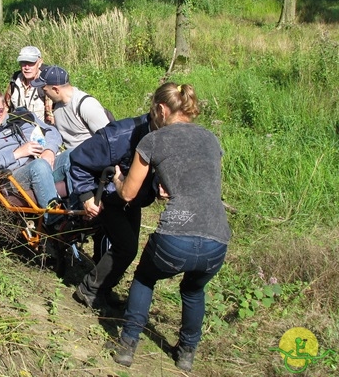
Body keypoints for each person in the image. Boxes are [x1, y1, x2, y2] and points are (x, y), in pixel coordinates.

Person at [110, 83, 231, 372]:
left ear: (162, 110)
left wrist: (116, 179)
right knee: (192, 291)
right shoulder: (211, 138)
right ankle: (187, 353)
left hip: (176, 237)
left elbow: (128, 194)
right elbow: (199, 179)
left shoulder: (153, 140)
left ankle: (127, 345)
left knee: (144, 278)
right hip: (218, 238)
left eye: (154, 113)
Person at [68, 113, 157, 311]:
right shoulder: (119, 135)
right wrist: (86, 195)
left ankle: (102, 289)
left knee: (129, 248)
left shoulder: (167, 135)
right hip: (106, 194)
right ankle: (89, 289)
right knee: (126, 247)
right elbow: (79, 160)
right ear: (161, 110)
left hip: (131, 197)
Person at [0, 89, 69, 226]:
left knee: (72, 155)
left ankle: (83, 207)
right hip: (16, 177)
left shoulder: (25, 116)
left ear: (5, 106)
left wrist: (49, 150)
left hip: (44, 161)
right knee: (39, 166)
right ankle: (55, 222)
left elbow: (52, 131)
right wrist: (17, 153)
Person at [30, 65, 110, 149]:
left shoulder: (86, 105)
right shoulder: (56, 105)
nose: (44, 93)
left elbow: (109, 139)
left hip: (89, 156)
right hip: (67, 155)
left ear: (56, 89)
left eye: (44, 90)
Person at [4, 46, 54, 124]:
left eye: (31, 63)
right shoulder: (14, 81)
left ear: (40, 62)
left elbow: (50, 117)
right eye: (23, 63)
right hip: (15, 130)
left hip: (39, 132)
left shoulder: (45, 85)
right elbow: (5, 108)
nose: (27, 67)